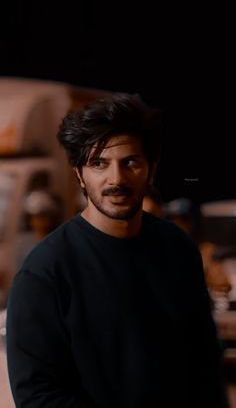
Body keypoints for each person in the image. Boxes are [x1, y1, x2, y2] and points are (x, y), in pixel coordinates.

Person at [6, 92, 228, 407]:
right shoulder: (45, 273)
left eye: (131, 162)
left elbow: (204, 363)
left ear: (151, 170)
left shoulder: (178, 249)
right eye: (99, 163)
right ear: (80, 175)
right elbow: (38, 396)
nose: (116, 178)